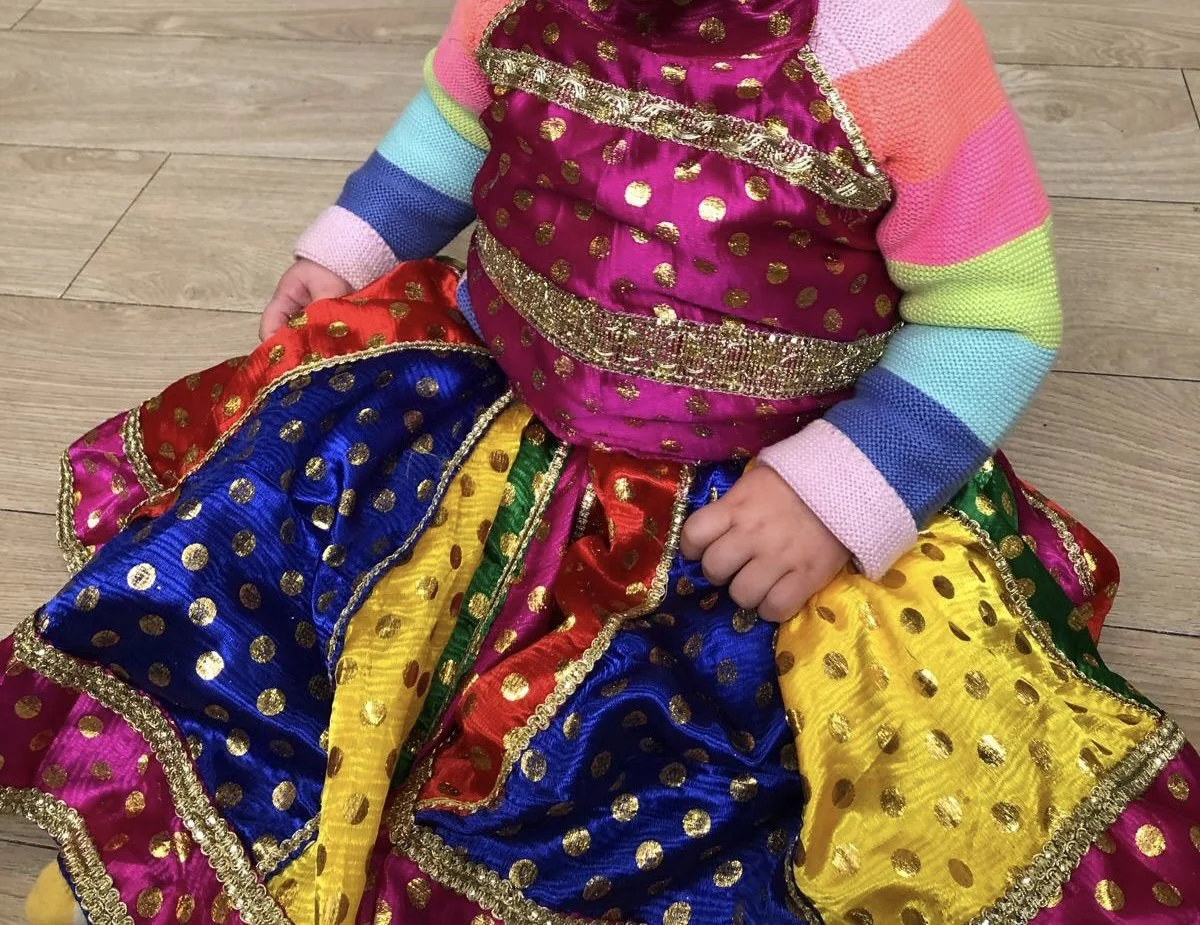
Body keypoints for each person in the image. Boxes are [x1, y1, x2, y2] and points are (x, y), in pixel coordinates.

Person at [7, 1, 1198, 923]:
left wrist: (843, 488)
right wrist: (354, 245)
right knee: (282, 573)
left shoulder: (890, 43)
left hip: (757, 476)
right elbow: (453, 117)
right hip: (497, 392)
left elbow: (1000, 307)